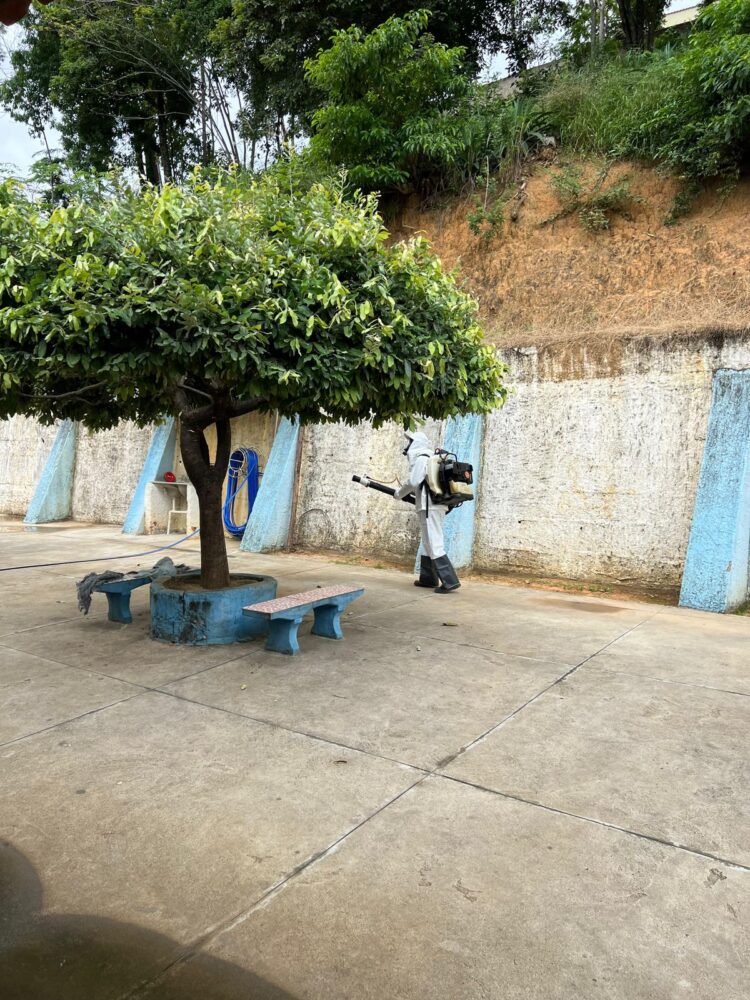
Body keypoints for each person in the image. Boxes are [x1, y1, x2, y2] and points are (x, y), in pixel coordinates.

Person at [395, 431, 460, 593]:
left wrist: (399, 493)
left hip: (430, 506)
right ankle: (428, 578)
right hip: (434, 505)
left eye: (410, 442)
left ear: (416, 443)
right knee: (427, 541)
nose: (408, 446)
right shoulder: (431, 457)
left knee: (433, 541)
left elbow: (413, 482)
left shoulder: (422, 458)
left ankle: (450, 581)